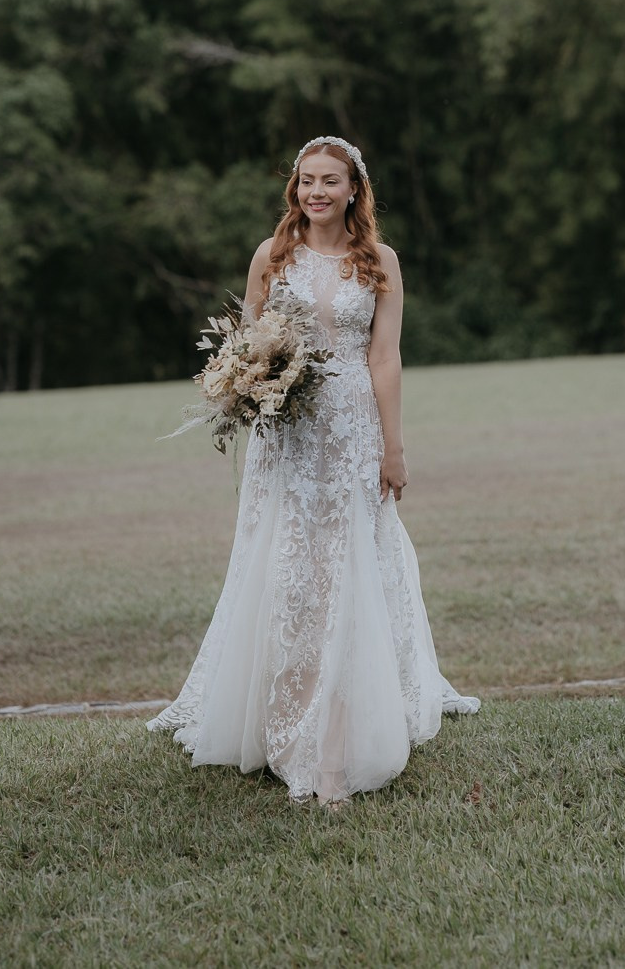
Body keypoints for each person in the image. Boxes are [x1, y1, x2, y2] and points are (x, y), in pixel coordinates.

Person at [148, 135, 478, 802]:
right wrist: (250, 383)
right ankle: (281, 715)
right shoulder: (272, 258)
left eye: (330, 181)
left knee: (349, 565)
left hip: (354, 432)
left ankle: (344, 723)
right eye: (305, 181)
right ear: (294, 189)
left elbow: (384, 358)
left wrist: (394, 446)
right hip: (290, 438)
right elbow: (246, 345)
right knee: (292, 569)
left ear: (355, 188)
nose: (316, 193)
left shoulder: (379, 261)